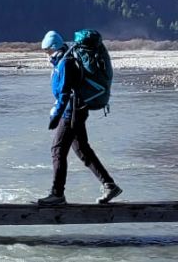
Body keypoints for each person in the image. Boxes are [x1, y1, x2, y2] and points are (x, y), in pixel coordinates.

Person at [37, 30, 122, 206]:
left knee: (57, 150)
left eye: (46, 50)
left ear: (53, 47)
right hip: (77, 109)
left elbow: (65, 93)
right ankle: (109, 185)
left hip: (72, 112)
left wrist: (56, 115)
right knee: (82, 150)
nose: (45, 54)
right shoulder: (63, 60)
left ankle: (57, 194)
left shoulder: (66, 63)